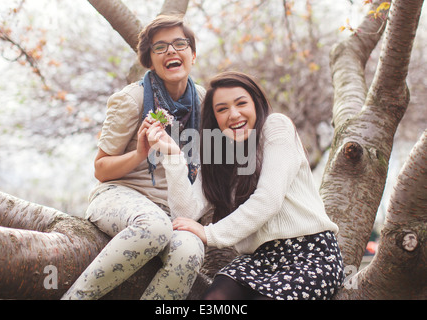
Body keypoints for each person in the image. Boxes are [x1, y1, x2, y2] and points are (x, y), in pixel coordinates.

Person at [147, 71, 344, 300]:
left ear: (257, 104)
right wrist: (172, 156)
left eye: (241, 103)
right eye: (222, 109)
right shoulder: (217, 152)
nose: (234, 114)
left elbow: (268, 199)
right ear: (214, 117)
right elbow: (186, 215)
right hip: (257, 260)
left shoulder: (276, 127)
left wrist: (210, 234)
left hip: (310, 254)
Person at [61, 15, 205, 300]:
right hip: (120, 195)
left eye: (179, 44)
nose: (171, 52)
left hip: (173, 208)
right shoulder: (131, 100)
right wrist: (141, 152)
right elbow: (101, 169)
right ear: (149, 61)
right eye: (160, 47)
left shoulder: (203, 100)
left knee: (190, 251)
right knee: (154, 226)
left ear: (193, 54)